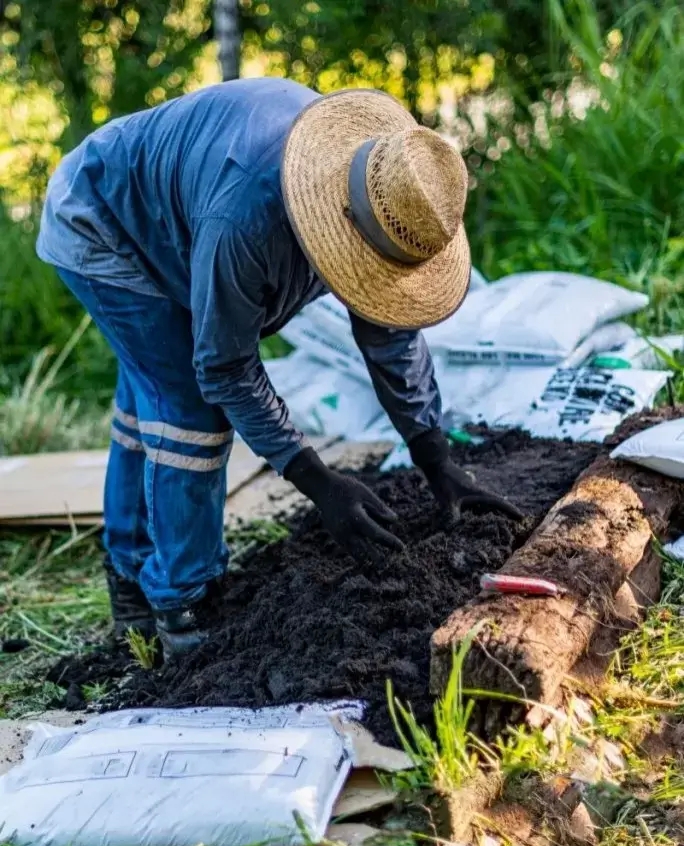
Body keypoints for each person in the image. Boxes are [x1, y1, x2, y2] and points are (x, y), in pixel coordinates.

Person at [37, 77, 520, 659]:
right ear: (337, 225)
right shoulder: (250, 217)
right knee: (188, 407)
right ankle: (180, 601)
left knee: (153, 393)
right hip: (102, 218)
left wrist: (435, 457)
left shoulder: (386, 192)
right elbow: (225, 367)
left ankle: (136, 574)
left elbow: (389, 335)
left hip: (180, 219)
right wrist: (317, 480)